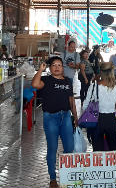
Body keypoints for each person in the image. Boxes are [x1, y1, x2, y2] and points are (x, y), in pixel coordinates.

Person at [32, 56, 78, 188]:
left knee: (69, 147)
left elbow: (71, 100)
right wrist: (40, 70)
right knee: (52, 148)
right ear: (50, 68)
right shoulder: (46, 80)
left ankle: (67, 175)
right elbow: (35, 84)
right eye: (54, 65)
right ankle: (52, 178)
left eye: (59, 65)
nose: (57, 67)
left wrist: (75, 116)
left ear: (63, 67)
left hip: (66, 117)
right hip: (50, 118)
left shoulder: (68, 81)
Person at [82, 62, 116, 151]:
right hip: (111, 120)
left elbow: (85, 106)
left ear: (101, 72)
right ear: (112, 72)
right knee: (114, 150)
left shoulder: (94, 85)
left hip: (97, 120)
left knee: (98, 150)